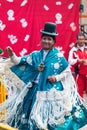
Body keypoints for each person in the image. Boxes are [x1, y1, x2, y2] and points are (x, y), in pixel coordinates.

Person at [0, 22, 87, 130]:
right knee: (30, 119)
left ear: (54, 41)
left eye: (49, 39)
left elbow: (67, 72)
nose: (46, 41)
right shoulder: (35, 55)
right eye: (44, 38)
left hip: (50, 93)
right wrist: (12, 55)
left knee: (48, 120)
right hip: (33, 92)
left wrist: (56, 78)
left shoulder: (58, 57)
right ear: (41, 40)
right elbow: (18, 61)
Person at [68, 33, 87, 98]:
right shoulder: (73, 50)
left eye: (82, 39)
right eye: (79, 39)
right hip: (79, 75)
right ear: (76, 40)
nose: (81, 41)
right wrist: (78, 61)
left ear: (85, 40)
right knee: (79, 93)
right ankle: (80, 108)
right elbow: (70, 61)